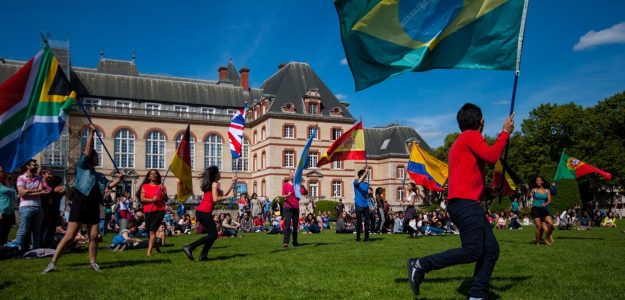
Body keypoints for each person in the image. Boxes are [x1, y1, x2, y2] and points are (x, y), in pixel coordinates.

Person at [407, 103, 514, 298]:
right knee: (473, 251)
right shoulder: (472, 137)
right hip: (465, 205)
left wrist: (487, 192)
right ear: (481, 121)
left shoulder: (460, 142)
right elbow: (491, 157)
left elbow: (467, 179)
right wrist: (505, 133)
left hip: (465, 202)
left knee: (490, 250)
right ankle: (421, 264)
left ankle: (477, 294)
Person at [43, 124, 124, 273]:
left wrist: (119, 178)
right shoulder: (82, 167)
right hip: (80, 202)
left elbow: (110, 184)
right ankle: (52, 263)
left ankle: (93, 262)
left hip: (93, 205)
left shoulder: (99, 175)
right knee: (70, 235)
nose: (97, 158)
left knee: (94, 236)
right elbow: (87, 150)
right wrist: (92, 133)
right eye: (95, 156)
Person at [182, 166, 236, 261]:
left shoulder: (212, 184)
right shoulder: (214, 184)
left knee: (212, 235)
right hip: (204, 212)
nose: (220, 174)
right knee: (213, 235)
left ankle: (203, 255)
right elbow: (216, 199)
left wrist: (232, 182)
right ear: (215, 175)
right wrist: (230, 196)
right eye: (218, 172)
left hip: (201, 211)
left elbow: (224, 194)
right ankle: (190, 247)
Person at [14, 159, 47, 251]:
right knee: (23, 230)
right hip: (25, 207)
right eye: (34, 165)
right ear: (28, 166)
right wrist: (37, 191)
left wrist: (27, 191)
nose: (36, 167)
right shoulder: (21, 177)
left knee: (36, 231)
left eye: (37, 165)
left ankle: (36, 249)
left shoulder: (39, 178)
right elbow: (21, 192)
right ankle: (16, 248)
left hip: (38, 207)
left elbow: (40, 189)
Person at [138, 169, 168, 256]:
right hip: (148, 210)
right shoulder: (145, 186)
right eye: (152, 174)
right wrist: (152, 199)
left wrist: (163, 192)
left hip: (159, 210)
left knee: (152, 230)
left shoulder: (162, 186)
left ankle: (149, 252)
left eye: (155, 174)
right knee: (148, 231)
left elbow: (166, 199)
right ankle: (157, 246)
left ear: (157, 176)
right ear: (149, 176)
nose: (153, 175)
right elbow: (142, 198)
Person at [281, 169, 307, 248]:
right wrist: (287, 195)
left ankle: (295, 241)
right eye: (291, 173)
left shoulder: (297, 185)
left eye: (294, 173)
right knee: (287, 224)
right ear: (289, 175)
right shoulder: (285, 185)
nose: (292, 174)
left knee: (295, 225)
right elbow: (282, 196)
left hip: (296, 207)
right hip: (288, 206)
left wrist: (302, 185)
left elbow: (305, 192)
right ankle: (286, 242)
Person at [529, 176, 554, 245]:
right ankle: (537, 242)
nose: (538, 181)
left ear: (542, 182)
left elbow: (549, 200)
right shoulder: (534, 190)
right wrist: (529, 192)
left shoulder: (547, 190)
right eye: (537, 180)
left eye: (539, 180)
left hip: (543, 209)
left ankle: (546, 238)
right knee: (539, 227)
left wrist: (546, 204)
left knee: (551, 225)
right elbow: (530, 196)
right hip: (535, 209)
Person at [353, 167, 372, 242]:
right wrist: (365, 172)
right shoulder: (355, 182)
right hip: (358, 204)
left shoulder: (366, 184)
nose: (365, 176)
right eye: (364, 175)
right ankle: (358, 237)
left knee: (367, 222)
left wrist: (370, 205)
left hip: (365, 205)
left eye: (366, 175)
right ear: (360, 175)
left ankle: (366, 238)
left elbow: (365, 191)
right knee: (359, 222)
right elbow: (358, 182)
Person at [0, 166, 17, 246]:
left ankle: (3, 248)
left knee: (6, 231)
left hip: (10, 211)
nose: (10, 173)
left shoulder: (9, 183)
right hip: (2, 211)